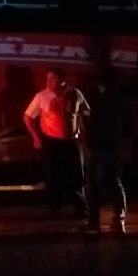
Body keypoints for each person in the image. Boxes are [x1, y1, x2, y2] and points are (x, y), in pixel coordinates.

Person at [24, 68, 90, 217]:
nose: (48, 82)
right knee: (53, 174)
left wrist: (81, 123)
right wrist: (36, 137)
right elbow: (28, 116)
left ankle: (80, 207)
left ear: (62, 79)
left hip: (72, 142)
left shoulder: (75, 94)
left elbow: (86, 111)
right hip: (52, 142)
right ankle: (54, 206)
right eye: (47, 79)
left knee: (77, 175)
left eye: (52, 78)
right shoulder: (42, 96)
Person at [85, 69, 129, 234]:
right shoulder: (121, 101)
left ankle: (93, 223)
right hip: (115, 148)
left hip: (100, 147)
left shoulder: (99, 101)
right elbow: (129, 125)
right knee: (116, 184)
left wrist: (89, 144)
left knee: (94, 186)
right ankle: (119, 221)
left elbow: (92, 125)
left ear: (100, 83)